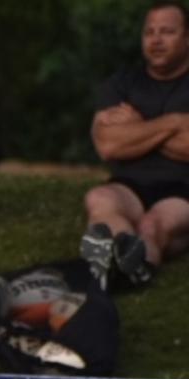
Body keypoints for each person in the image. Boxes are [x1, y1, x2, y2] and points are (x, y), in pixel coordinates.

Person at [81, 1, 189, 290]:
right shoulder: (122, 84)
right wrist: (174, 123)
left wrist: (136, 126)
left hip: (183, 190)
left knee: (152, 226)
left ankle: (138, 267)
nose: (156, 40)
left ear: (187, 37)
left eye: (167, 32)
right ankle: (115, 258)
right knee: (99, 198)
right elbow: (108, 146)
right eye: (149, 32)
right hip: (129, 184)